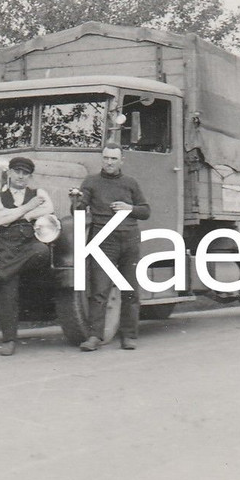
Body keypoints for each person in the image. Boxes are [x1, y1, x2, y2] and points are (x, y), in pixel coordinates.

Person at [0, 156, 54, 356]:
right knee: (9, 289)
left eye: (25, 173)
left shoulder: (39, 193)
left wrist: (15, 215)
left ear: (30, 176)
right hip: (8, 248)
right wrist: (28, 208)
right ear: (9, 173)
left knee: (42, 251)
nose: (21, 176)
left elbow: (49, 208)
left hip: (30, 245)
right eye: (17, 172)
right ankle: (8, 340)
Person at [71, 146, 150, 351]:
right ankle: (94, 337)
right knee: (99, 291)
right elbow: (79, 210)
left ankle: (129, 336)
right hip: (103, 241)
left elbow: (145, 211)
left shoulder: (131, 183)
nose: (109, 162)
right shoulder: (91, 182)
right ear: (102, 159)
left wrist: (129, 208)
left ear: (121, 160)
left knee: (130, 290)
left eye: (113, 158)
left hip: (129, 239)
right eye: (106, 158)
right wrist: (76, 201)